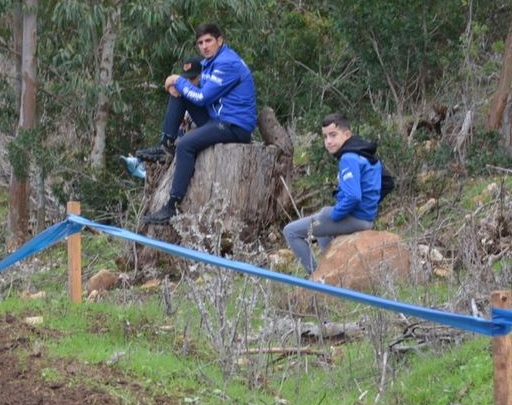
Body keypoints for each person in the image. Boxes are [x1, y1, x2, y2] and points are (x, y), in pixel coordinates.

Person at [136, 24, 258, 225]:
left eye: (208, 41)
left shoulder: (227, 63)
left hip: (234, 127)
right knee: (180, 93)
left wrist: (175, 79)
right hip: (217, 118)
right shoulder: (211, 62)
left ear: (220, 40)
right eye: (200, 43)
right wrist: (174, 84)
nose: (204, 46)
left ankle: (172, 206)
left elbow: (201, 97)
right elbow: (195, 93)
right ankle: (165, 144)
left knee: (186, 144)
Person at [282, 113, 383, 275]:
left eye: (333, 135)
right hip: (366, 217)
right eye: (325, 136)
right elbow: (387, 182)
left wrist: (336, 214)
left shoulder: (348, 158)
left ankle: (316, 277)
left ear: (347, 135)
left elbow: (353, 196)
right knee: (323, 225)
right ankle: (331, 271)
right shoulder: (367, 154)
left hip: (356, 219)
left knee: (291, 231)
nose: (328, 141)